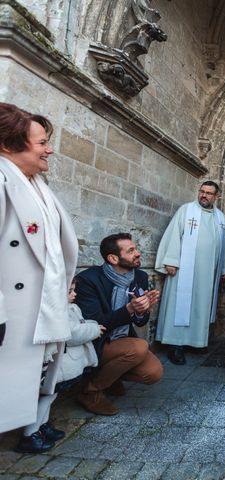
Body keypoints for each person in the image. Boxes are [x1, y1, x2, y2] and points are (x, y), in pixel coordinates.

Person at [0, 103, 78, 452]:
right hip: (14, 307)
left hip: (43, 302)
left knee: (42, 369)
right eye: (41, 143)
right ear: (8, 146)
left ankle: (34, 426)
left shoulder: (38, 185)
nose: (49, 149)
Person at [75, 233, 164, 416]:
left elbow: (141, 321)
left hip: (122, 339)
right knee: (140, 347)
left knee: (153, 372)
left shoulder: (139, 276)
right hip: (96, 341)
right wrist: (130, 309)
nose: (138, 253)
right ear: (113, 258)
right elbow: (95, 323)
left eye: (136, 248)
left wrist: (142, 310)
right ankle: (90, 392)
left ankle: (109, 377)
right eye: (131, 250)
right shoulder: (88, 280)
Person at [16, 279, 105, 453]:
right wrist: (94, 329)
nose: (74, 294)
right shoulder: (57, 313)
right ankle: (30, 434)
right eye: (70, 291)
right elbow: (71, 333)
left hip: (64, 365)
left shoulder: (70, 307)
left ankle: (42, 426)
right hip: (57, 365)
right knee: (47, 396)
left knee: (50, 395)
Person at [155, 181, 225, 365]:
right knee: (179, 305)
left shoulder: (221, 219)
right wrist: (171, 261)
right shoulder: (186, 210)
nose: (204, 196)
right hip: (183, 270)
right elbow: (174, 233)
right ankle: (175, 345)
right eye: (202, 191)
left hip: (207, 274)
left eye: (209, 193)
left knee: (200, 305)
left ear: (216, 196)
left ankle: (195, 342)